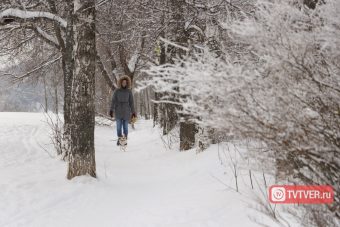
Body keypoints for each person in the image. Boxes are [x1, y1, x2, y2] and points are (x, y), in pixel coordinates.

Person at [109, 75, 136, 145]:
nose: (124, 83)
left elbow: (131, 102)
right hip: (118, 111)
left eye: (125, 82)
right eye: (123, 82)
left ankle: (125, 140)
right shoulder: (117, 91)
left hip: (126, 112)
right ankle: (120, 139)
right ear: (120, 83)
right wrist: (111, 110)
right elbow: (113, 101)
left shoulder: (129, 91)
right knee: (118, 127)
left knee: (125, 128)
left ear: (127, 83)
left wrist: (133, 112)